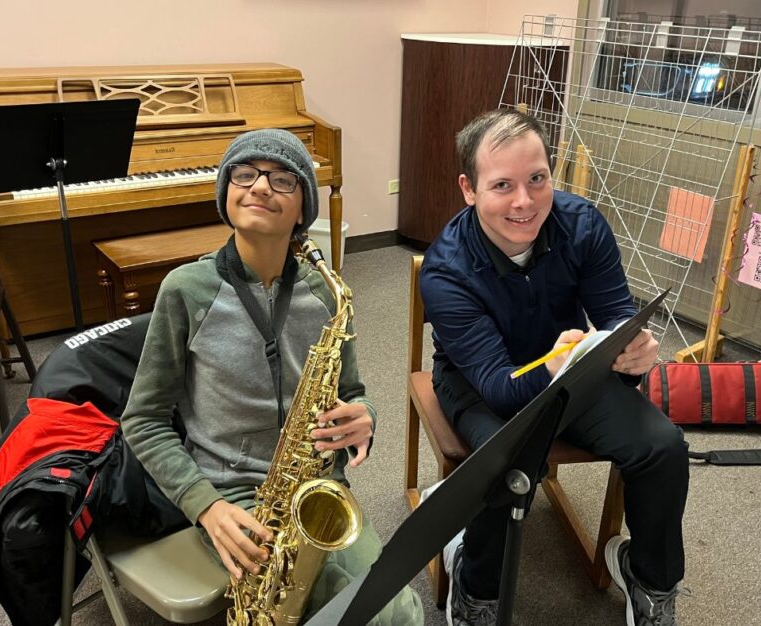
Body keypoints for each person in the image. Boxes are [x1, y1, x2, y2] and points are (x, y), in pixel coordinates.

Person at [121, 129, 423, 625]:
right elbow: (144, 420)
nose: (260, 186)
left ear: (303, 206)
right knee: (380, 616)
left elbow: (352, 393)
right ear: (226, 192)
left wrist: (364, 416)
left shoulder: (328, 294)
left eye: (282, 179)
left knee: (396, 608)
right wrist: (205, 507)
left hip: (318, 485)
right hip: (232, 495)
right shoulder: (186, 290)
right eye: (245, 174)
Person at [420, 109, 689, 626]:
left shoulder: (582, 224)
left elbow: (615, 318)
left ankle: (650, 579)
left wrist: (634, 354)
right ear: (468, 189)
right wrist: (555, 369)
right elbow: (498, 387)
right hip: (478, 383)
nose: (525, 202)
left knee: (662, 447)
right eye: (502, 185)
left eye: (537, 179)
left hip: (572, 368)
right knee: (508, 464)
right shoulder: (445, 271)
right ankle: (475, 586)